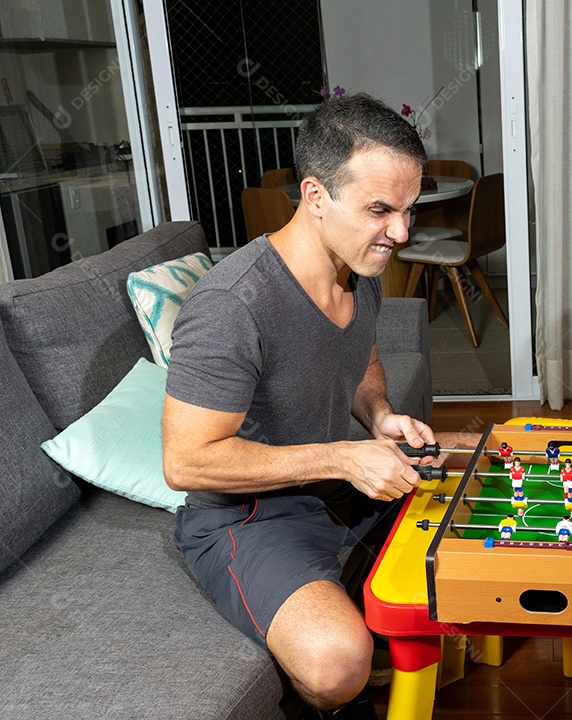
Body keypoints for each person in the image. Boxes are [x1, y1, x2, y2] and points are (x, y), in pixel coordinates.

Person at [162, 93, 435, 719]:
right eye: (380, 210)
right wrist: (343, 456)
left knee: (481, 524)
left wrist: (381, 416)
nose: (400, 232)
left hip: (331, 492)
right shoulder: (233, 304)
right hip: (246, 519)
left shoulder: (358, 268)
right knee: (338, 663)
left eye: (407, 210)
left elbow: (360, 356)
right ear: (315, 196)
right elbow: (186, 462)